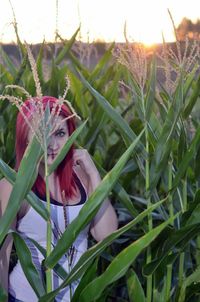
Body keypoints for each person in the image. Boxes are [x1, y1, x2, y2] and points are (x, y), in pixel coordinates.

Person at [0, 96, 118, 302]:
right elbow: (2, 253)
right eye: (42, 134)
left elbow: (106, 235)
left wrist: (93, 174)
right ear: (25, 138)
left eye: (60, 133)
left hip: (79, 296)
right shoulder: (12, 186)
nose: (52, 144)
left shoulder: (82, 177)